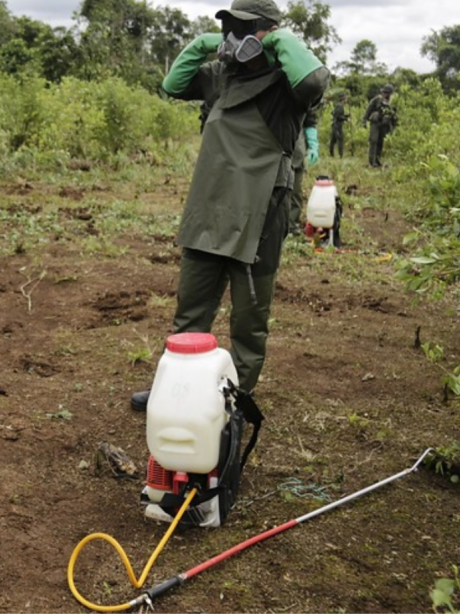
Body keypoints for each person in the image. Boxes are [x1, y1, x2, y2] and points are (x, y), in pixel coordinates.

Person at [131, 0, 329, 409]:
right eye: (229, 28)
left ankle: (234, 401)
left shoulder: (286, 88)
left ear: (268, 31)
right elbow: (172, 84)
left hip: (260, 217)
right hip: (209, 208)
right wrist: (204, 44)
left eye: (245, 27)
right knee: (191, 311)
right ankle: (176, 388)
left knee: (248, 323)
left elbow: (314, 81)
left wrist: (279, 39)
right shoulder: (221, 76)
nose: (234, 36)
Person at [288, 108, 319, 235]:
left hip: (296, 151)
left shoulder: (303, 99)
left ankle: (291, 224)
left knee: (295, 190)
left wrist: (313, 144)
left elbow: (309, 118)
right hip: (274, 148)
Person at [366, 84, 396, 167]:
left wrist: (393, 125)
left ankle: (377, 160)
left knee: (380, 142)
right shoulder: (377, 100)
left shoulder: (392, 102)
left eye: (387, 93)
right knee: (373, 140)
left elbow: (394, 115)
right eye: (384, 92)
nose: (385, 94)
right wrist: (364, 120)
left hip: (384, 124)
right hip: (375, 123)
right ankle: (372, 161)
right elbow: (369, 109)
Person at [329, 91, 349, 157]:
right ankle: (340, 155)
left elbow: (338, 114)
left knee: (333, 140)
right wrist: (346, 119)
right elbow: (338, 116)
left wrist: (346, 116)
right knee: (340, 139)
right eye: (346, 98)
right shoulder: (340, 106)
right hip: (337, 125)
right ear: (343, 99)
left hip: (335, 125)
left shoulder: (339, 105)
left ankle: (331, 154)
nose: (347, 100)